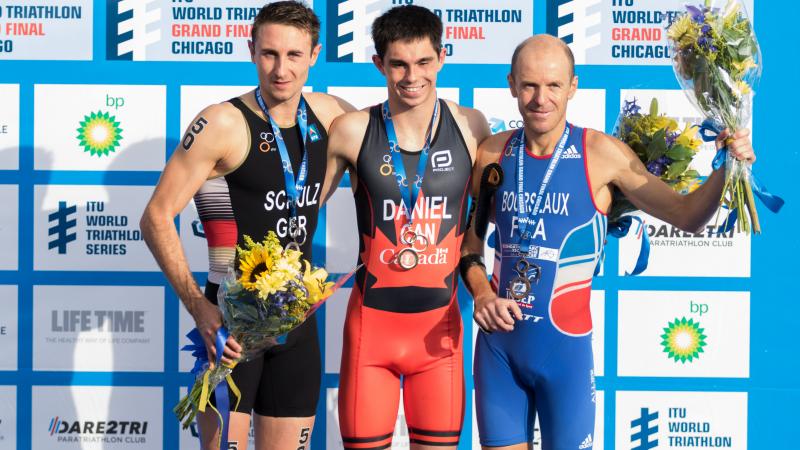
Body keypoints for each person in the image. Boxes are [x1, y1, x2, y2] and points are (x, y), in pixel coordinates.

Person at [459, 34, 755, 450]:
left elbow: (686, 217)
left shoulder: (602, 153)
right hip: (498, 353)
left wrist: (726, 168)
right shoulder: (492, 154)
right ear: (511, 84)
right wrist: (483, 294)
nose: (540, 98)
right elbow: (469, 247)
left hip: (564, 353)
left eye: (553, 85)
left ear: (573, 86)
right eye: (528, 85)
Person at [139, 2, 354, 449]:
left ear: (314, 55)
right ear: (251, 50)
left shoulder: (331, 115)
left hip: (298, 326)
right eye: (269, 54)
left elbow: (396, 140)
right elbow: (156, 216)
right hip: (230, 328)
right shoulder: (222, 121)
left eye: (294, 56)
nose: (281, 69)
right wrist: (200, 308)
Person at [321, 5, 490, 449]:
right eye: (398, 63)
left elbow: (486, 221)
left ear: (442, 57)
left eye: (423, 62)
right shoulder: (352, 130)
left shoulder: (471, 126)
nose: (411, 76)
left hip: (441, 340)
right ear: (379, 63)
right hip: (370, 335)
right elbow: (298, 214)